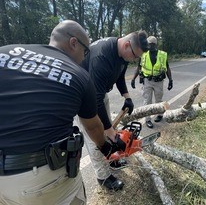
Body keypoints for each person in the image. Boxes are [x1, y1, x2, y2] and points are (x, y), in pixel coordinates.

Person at [0, 20, 121, 205]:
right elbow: (93, 127)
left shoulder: (6, 51)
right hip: (40, 178)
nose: (84, 57)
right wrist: (105, 147)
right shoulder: (78, 74)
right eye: (85, 51)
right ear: (74, 43)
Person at [79, 30, 148, 191]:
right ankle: (103, 177)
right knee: (96, 138)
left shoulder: (123, 55)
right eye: (134, 56)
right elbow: (94, 100)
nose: (134, 60)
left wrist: (127, 96)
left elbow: (119, 77)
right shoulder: (101, 57)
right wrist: (109, 131)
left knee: (109, 128)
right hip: (84, 98)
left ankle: (112, 158)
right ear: (126, 45)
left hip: (99, 94)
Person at [131, 36, 173, 128]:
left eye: (153, 44)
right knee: (147, 101)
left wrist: (170, 80)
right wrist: (133, 78)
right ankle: (147, 119)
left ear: (156, 44)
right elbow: (139, 67)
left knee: (158, 100)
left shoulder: (162, 54)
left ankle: (159, 115)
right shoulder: (143, 54)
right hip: (147, 81)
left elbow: (167, 67)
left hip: (159, 81)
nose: (151, 46)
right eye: (149, 44)